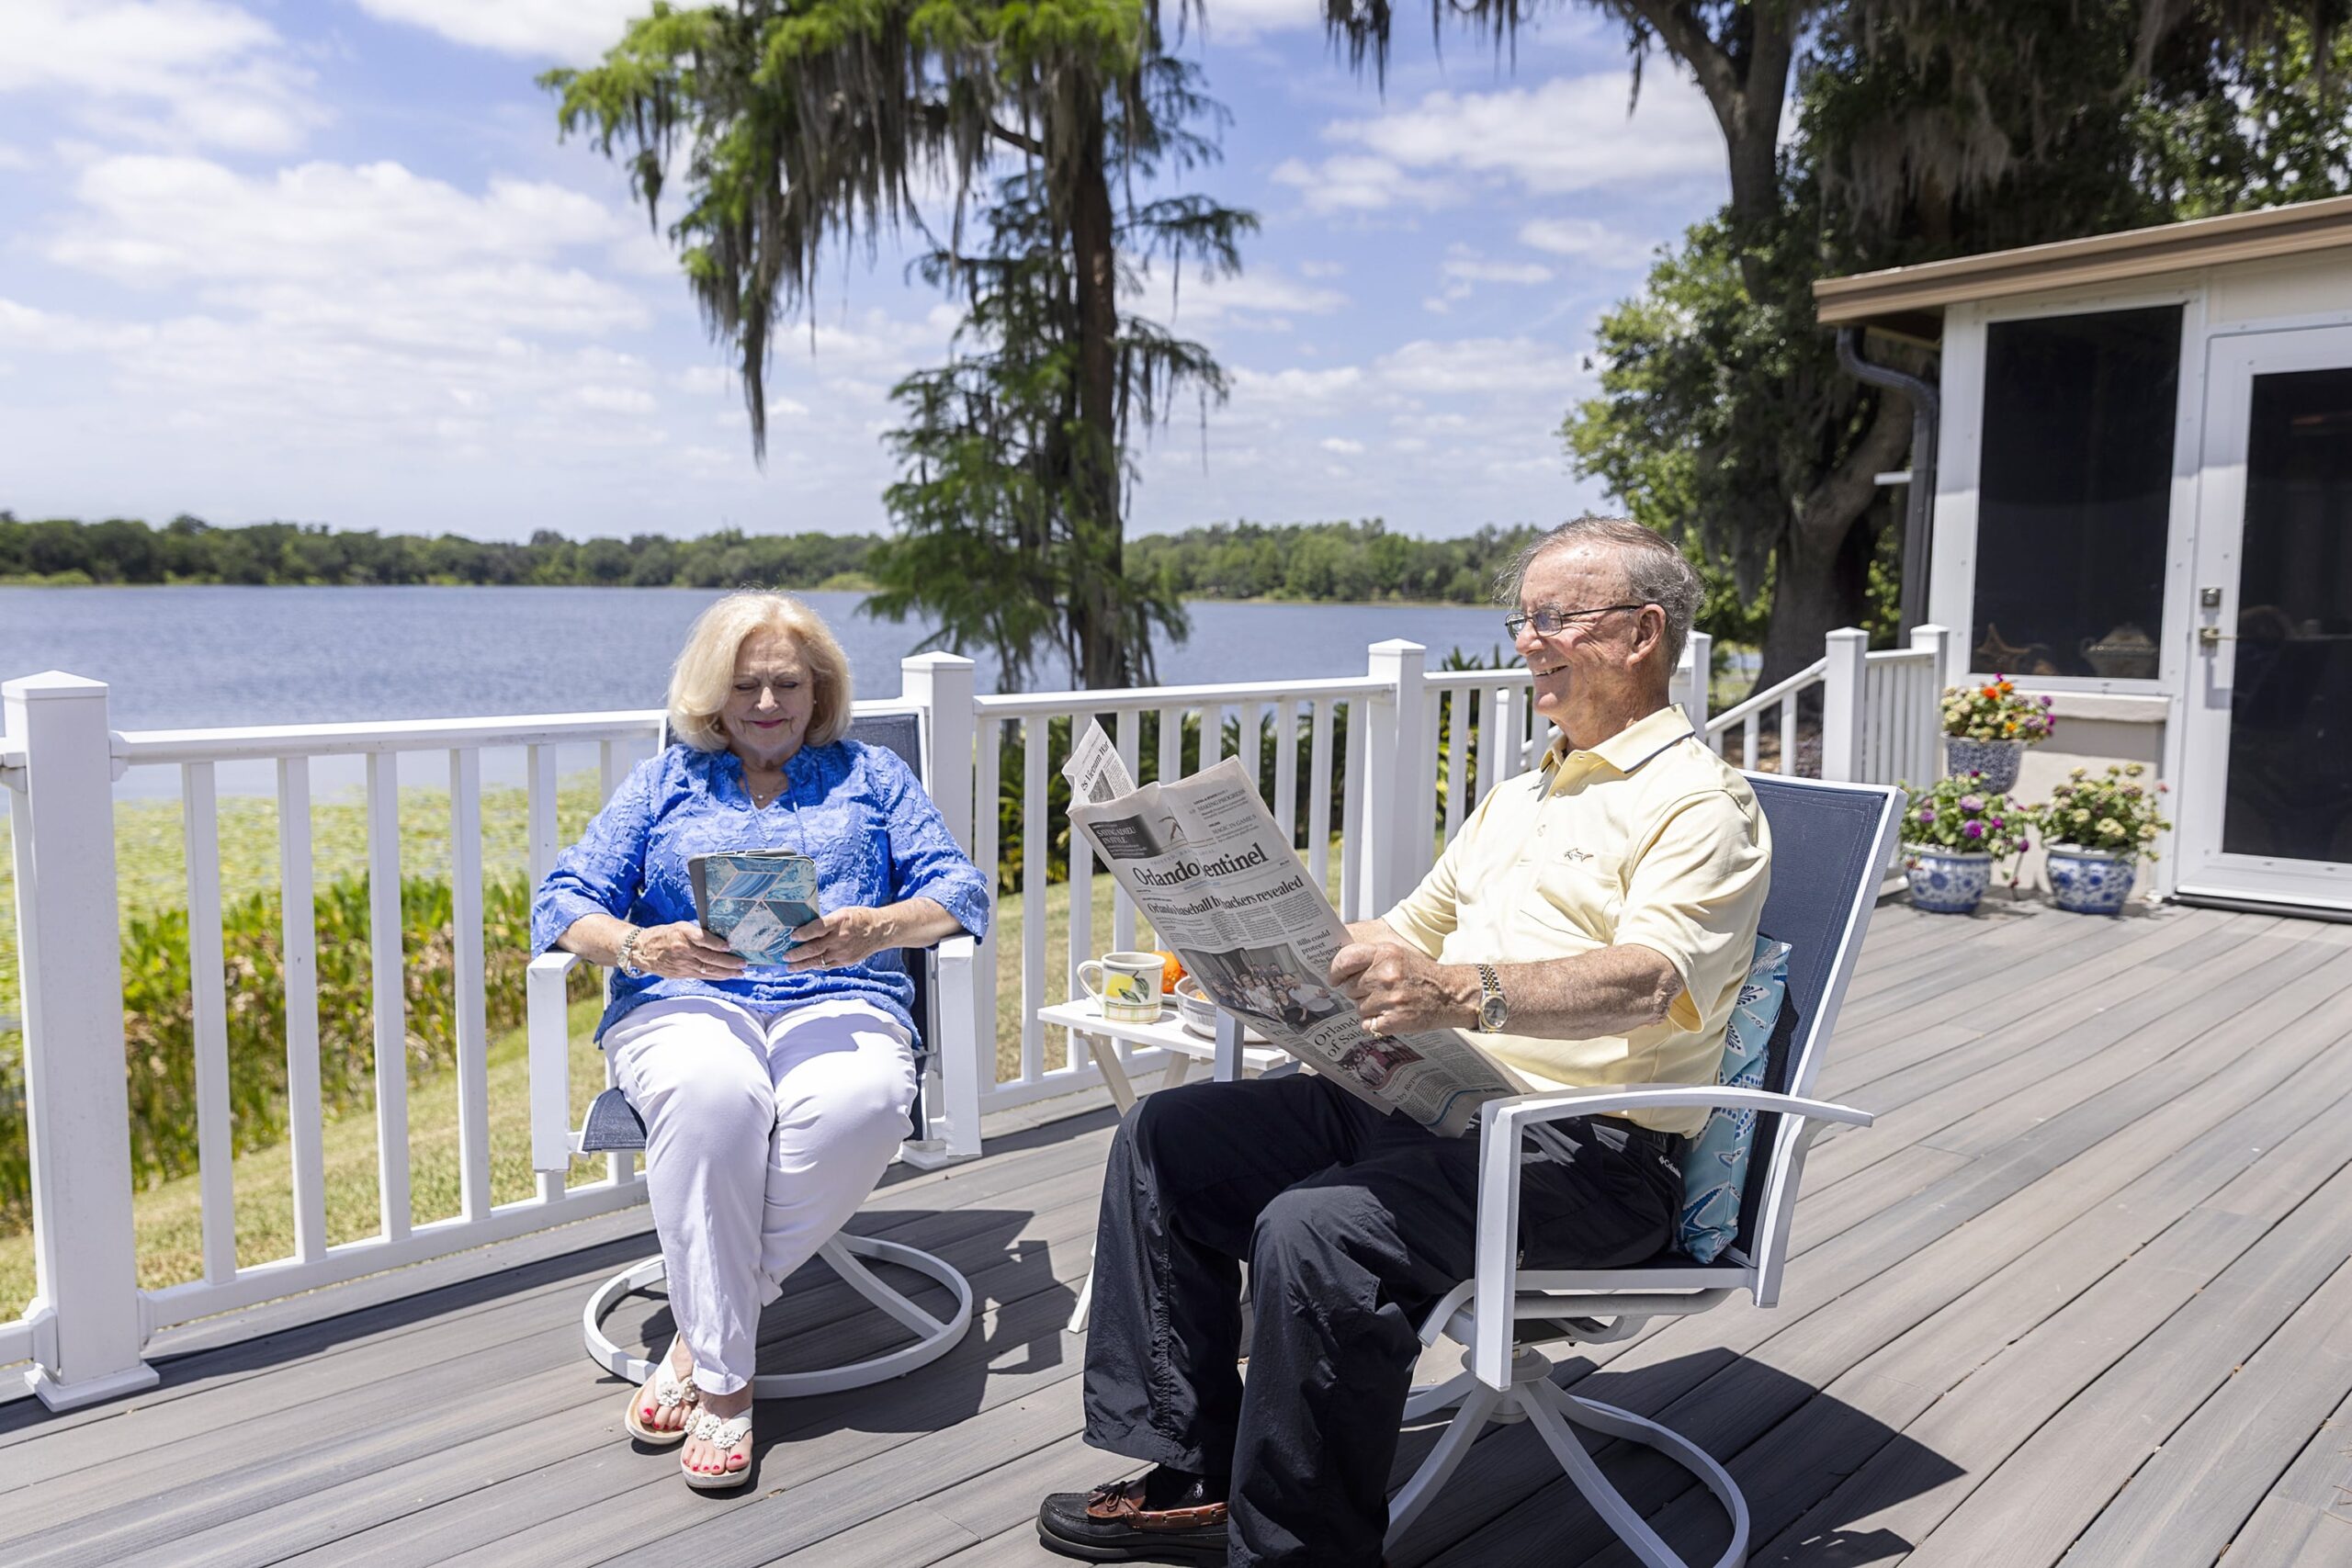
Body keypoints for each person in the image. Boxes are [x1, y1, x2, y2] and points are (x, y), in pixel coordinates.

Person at [1036, 517, 1770, 1566]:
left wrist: (1461, 991)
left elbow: (1650, 982)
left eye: (1555, 620)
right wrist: (1258, 944)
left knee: (1319, 1227)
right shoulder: (1524, 793)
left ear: (1642, 633)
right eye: (1522, 619)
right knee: (1168, 1136)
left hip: (1582, 1154)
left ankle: (1301, 1548)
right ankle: (1195, 1468)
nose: (1527, 642)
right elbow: (1400, 934)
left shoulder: (1699, 805)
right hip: (1431, 1097)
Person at [531, 592, 989, 1491]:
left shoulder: (872, 779)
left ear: (821, 690)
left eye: (788, 683)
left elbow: (960, 891)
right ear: (713, 693)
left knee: (859, 1106)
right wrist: (636, 943)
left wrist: (880, 926)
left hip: (840, 996)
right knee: (712, 1098)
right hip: (689, 1001)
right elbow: (562, 897)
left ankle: (700, 1343)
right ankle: (729, 1390)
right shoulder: (666, 783)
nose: (769, 703)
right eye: (748, 685)